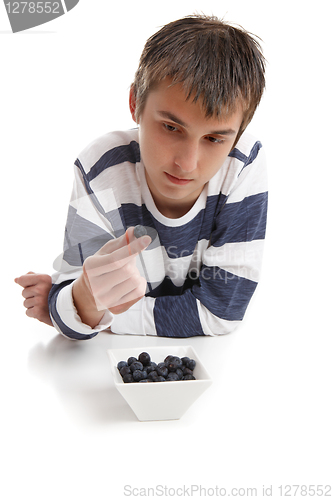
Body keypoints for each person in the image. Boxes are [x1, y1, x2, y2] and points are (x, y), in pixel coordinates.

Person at [15, 14, 268, 340]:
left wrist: (75, 307)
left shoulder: (243, 164)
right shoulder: (101, 168)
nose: (187, 164)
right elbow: (76, 306)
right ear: (135, 103)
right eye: (171, 127)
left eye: (215, 139)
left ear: (236, 136)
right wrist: (78, 304)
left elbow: (221, 312)